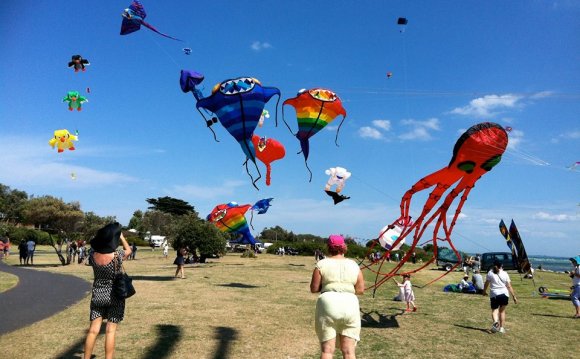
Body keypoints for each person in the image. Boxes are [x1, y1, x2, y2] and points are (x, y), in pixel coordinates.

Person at [310, 235, 364, 359]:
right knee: (349, 352)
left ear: (329, 247)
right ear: (344, 247)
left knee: (327, 351)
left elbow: (314, 288)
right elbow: (360, 290)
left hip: (328, 303)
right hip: (350, 304)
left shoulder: (321, 264)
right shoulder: (354, 265)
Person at [84, 222, 132, 359]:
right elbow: (129, 250)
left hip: (97, 294)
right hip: (115, 295)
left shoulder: (92, 255)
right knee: (110, 331)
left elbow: (95, 246)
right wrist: (122, 238)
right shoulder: (117, 255)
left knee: (93, 330)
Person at [483, 260, 518, 334]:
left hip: (494, 294)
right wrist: (514, 296)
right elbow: (509, 286)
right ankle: (501, 328)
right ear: (501, 266)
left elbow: (486, 283)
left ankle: (496, 323)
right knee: (502, 311)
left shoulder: (490, 273)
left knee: (494, 310)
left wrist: (484, 291)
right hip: (504, 294)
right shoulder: (505, 274)